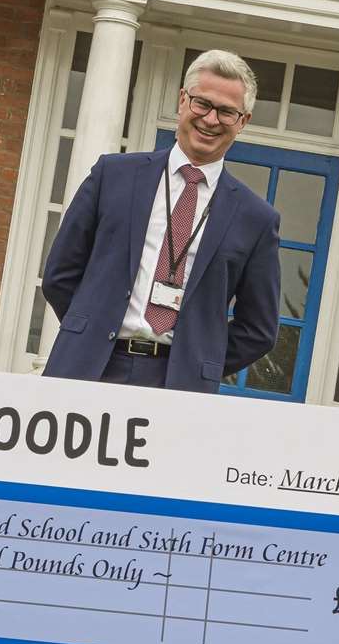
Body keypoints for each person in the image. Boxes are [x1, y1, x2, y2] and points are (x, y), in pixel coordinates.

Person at [41, 49, 280, 392]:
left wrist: (198, 359)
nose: (211, 120)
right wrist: (92, 329)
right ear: (183, 100)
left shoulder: (256, 219)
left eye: (227, 112)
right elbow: (59, 274)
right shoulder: (113, 175)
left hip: (179, 386)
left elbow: (259, 329)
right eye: (202, 104)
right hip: (86, 368)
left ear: (243, 121)